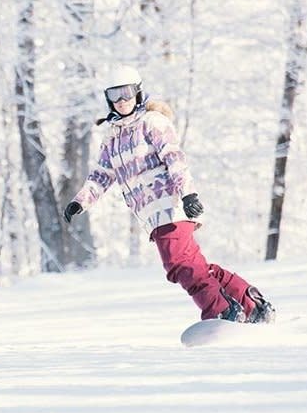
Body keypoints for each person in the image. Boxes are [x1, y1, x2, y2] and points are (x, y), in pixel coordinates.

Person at [63, 65, 275, 324]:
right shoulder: (112, 137)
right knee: (194, 266)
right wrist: (79, 202)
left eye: (127, 93)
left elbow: (175, 159)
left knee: (180, 266)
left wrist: (189, 194)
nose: (121, 101)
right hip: (153, 216)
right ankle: (250, 304)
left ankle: (220, 311)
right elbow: (101, 175)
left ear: (138, 92)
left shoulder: (153, 123)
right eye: (115, 95)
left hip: (171, 206)